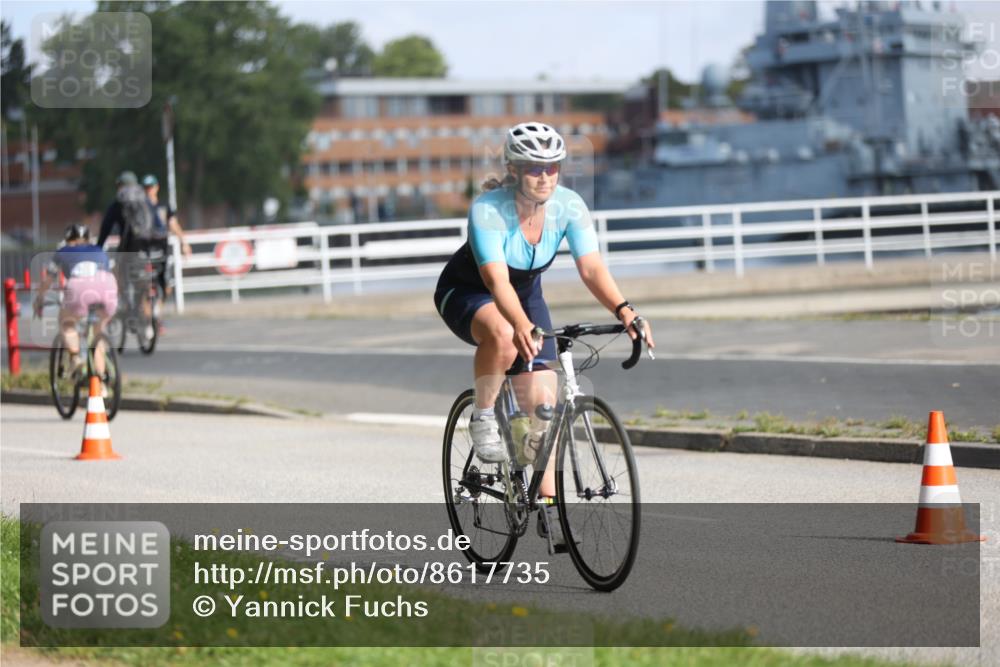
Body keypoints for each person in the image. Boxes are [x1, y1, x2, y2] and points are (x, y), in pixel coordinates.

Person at [434, 122, 655, 549]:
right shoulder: (488, 210)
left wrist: (626, 311)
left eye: (552, 168)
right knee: (501, 334)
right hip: (469, 290)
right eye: (535, 168)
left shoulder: (569, 206)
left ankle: (547, 502)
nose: (545, 177)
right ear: (514, 170)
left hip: (526, 293)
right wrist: (520, 325)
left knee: (544, 402)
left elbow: (591, 269)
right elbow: (497, 284)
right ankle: (483, 418)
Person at [33, 224, 118, 390]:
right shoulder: (99, 250)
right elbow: (111, 273)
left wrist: (39, 299)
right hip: (107, 285)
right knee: (98, 334)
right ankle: (100, 385)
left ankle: (75, 357)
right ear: (87, 239)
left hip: (79, 287)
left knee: (67, 323)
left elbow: (48, 281)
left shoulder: (63, 252)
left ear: (67, 240)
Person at [142, 173, 191, 298]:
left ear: (156, 187)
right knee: (145, 285)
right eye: (146, 187)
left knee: (166, 284)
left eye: (151, 187)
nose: (149, 190)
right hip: (145, 250)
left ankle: (158, 310)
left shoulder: (163, 205)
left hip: (162, 249)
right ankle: (149, 313)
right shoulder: (140, 207)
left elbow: (173, 224)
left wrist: (183, 242)